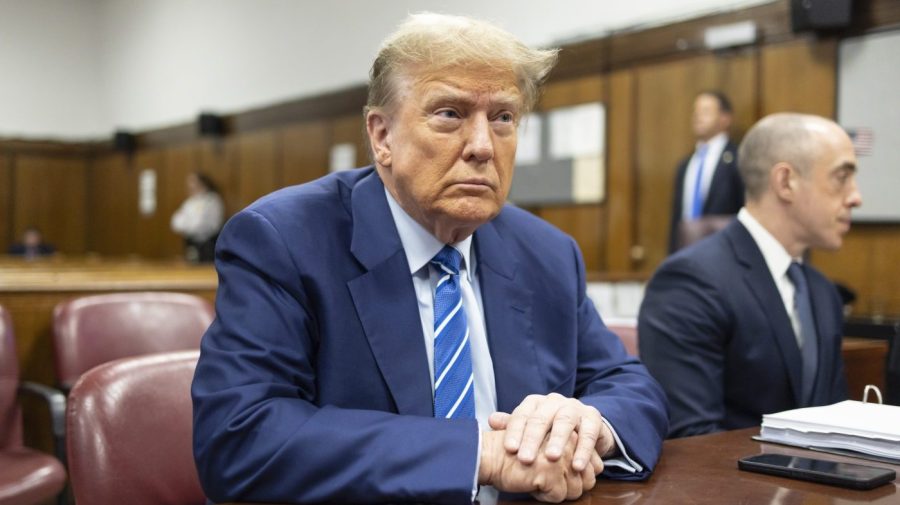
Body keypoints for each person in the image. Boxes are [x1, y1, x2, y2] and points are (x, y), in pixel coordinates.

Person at [192, 13, 667, 505]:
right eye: (449, 114)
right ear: (382, 137)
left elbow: (627, 385)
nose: (483, 146)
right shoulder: (283, 241)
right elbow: (241, 438)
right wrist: (479, 454)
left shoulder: (545, 251)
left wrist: (590, 426)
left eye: (503, 117)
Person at [639, 113, 861, 438]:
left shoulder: (821, 292)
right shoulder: (690, 283)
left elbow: (833, 424)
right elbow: (695, 441)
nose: (856, 197)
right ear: (785, 182)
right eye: (842, 177)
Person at [668, 91, 744, 252]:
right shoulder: (686, 164)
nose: (697, 117)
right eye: (696, 112)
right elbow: (677, 219)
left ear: (725, 118)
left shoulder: (738, 159)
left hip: (724, 253)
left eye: (706, 111)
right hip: (686, 253)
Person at [170, 171, 224, 262]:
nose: (189, 186)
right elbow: (175, 222)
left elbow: (199, 224)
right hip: (191, 242)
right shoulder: (189, 202)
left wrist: (188, 224)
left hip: (208, 243)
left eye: (192, 182)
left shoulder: (212, 200)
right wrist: (189, 225)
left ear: (202, 183)